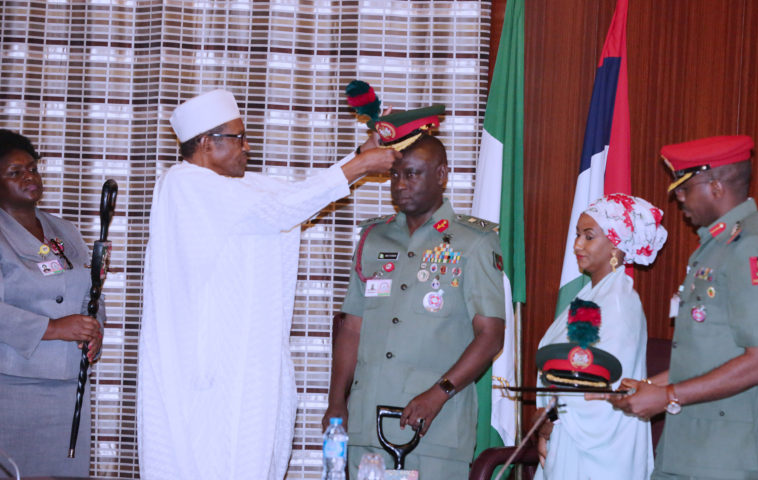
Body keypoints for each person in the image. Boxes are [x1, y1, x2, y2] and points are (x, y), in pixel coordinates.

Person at [136, 90, 399, 480]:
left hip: (243, 359)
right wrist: (360, 167)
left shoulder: (230, 188)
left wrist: (359, 155)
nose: (248, 146)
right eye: (238, 137)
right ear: (207, 143)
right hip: (205, 373)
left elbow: (290, 196)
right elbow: (280, 208)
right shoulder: (185, 185)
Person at [599, 135, 758, 479]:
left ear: (717, 186)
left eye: (684, 188)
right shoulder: (717, 245)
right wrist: (651, 385)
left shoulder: (751, 249)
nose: (678, 198)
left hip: (732, 456)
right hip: (698, 447)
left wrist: (667, 396)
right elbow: (711, 356)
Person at [323, 111, 506, 478]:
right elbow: (352, 327)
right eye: (394, 174)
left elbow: (490, 337)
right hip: (365, 423)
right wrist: (336, 401)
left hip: (435, 427)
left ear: (441, 175)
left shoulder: (475, 242)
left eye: (412, 174)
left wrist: (438, 394)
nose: (400, 185)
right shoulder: (374, 238)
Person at [536, 193, 668, 480]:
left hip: (603, 451)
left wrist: (554, 419)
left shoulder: (618, 301)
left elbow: (603, 384)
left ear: (615, 245)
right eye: (577, 235)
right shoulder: (591, 296)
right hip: (573, 440)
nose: (577, 245)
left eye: (588, 236)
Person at [0, 129, 103, 477]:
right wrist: (55, 328)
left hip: (68, 384)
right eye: (15, 172)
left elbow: (89, 291)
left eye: (32, 168)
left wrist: (94, 329)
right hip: (15, 385)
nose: (29, 177)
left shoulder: (64, 231)